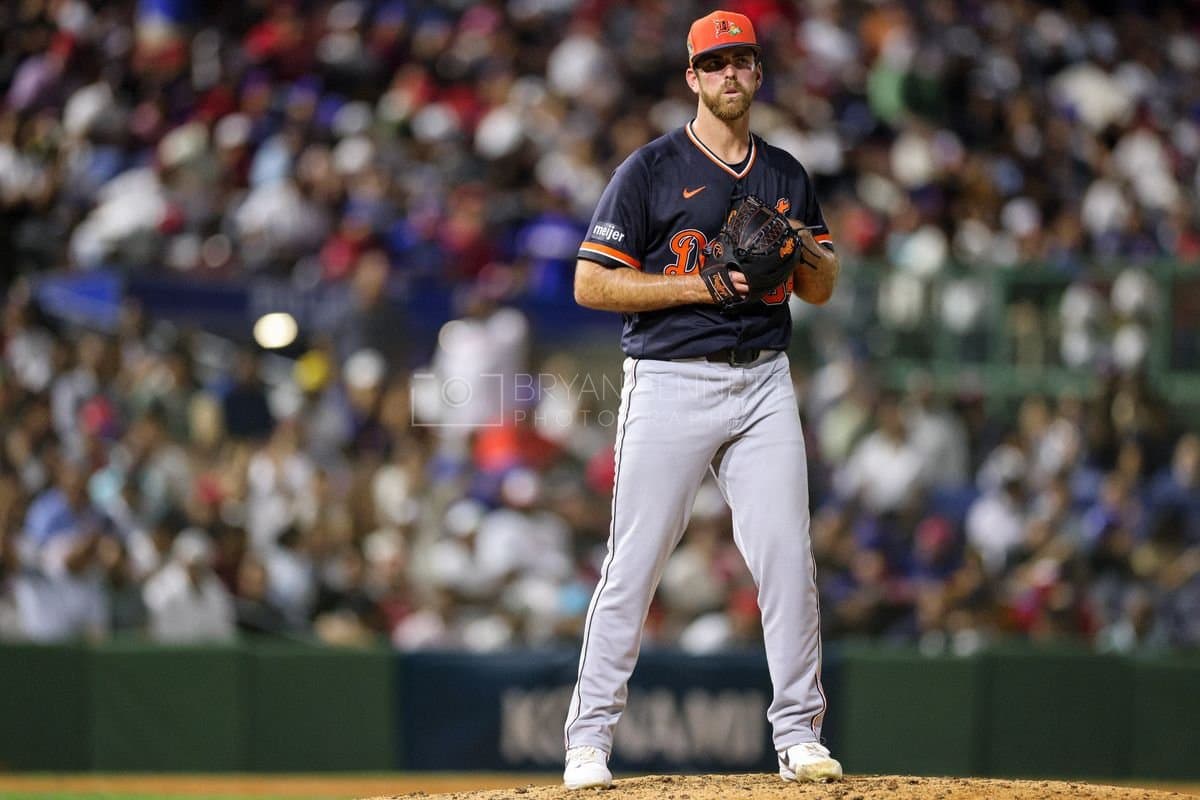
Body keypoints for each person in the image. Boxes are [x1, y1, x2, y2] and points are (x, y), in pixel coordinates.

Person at [561, 9, 843, 789]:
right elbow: (590, 282)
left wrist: (800, 244)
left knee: (787, 557)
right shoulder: (650, 170)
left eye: (742, 62)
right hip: (670, 379)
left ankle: (799, 737)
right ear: (692, 77)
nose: (729, 75)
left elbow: (821, 286)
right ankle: (587, 742)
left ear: (757, 73)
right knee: (635, 566)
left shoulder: (786, 172)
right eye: (714, 64)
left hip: (763, 381)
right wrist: (699, 284)